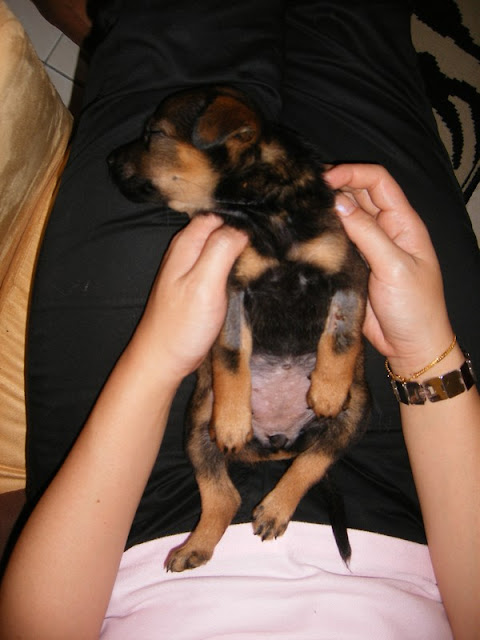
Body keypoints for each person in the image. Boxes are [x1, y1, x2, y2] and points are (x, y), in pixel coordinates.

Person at [1, 0, 479, 637]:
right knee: (356, 45)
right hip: (421, 503)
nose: (145, 150)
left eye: (157, 140)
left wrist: (155, 360)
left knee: (172, 30)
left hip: (128, 520)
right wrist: (429, 354)